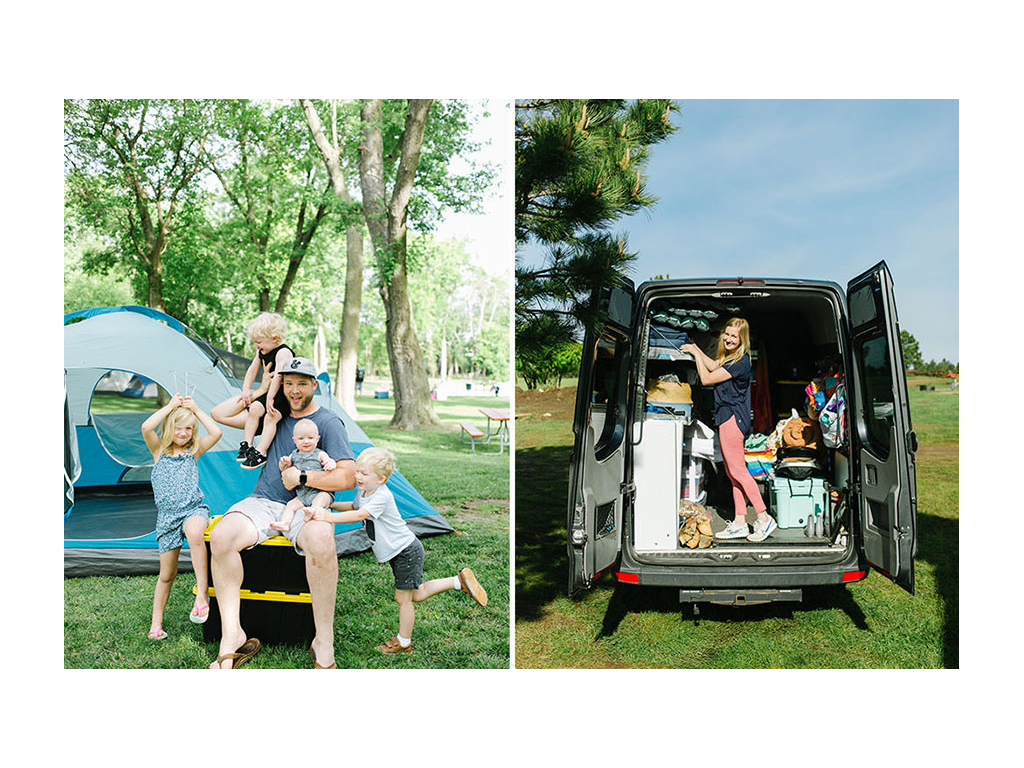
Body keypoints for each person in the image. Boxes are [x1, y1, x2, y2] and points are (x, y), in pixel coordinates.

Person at [208, 357, 355, 670]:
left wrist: (302, 477)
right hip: (264, 501)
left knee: (321, 537)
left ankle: (323, 638)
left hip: (306, 504)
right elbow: (220, 414)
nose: (295, 390)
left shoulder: (328, 423)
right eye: (288, 383)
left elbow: (347, 478)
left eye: (302, 383)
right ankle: (232, 634)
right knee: (221, 536)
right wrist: (261, 389)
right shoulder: (274, 413)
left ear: (315, 385)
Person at [310, 446, 487, 655]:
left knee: (404, 599)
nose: (358, 476)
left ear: (381, 479)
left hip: (406, 552)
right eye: (357, 471)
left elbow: (359, 515)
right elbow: (354, 507)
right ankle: (458, 581)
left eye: (364, 473)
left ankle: (403, 642)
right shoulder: (365, 491)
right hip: (399, 552)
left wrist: (327, 517)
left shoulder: (381, 496)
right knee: (417, 594)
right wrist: (330, 506)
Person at [680, 318, 777, 543]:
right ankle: (740, 523)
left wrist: (695, 355)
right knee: (733, 474)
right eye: (727, 334)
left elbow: (706, 378)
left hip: (733, 420)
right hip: (727, 418)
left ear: (742, 340)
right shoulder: (730, 358)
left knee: (739, 471)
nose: (729, 339)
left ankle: (764, 518)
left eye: (735, 336)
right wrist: (696, 349)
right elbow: (714, 366)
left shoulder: (740, 361)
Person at [140, 393, 222, 640]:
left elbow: (216, 432)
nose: (184, 433)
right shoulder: (159, 451)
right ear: (169, 428)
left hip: (193, 509)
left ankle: (202, 594)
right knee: (167, 574)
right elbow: (146, 427)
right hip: (167, 517)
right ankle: (156, 624)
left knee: (195, 532)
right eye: (179, 428)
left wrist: (196, 410)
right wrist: (170, 407)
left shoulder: (193, 451)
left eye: (189, 428)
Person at [210, 312, 294, 471]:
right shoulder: (261, 352)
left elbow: (279, 374)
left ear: (275, 338)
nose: (256, 346)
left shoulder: (283, 352)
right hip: (268, 391)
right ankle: (247, 446)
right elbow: (252, 369)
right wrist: (246, 390)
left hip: (281, 395)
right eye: (254, 342)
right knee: (254, 408)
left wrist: (270, 396)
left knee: (271, 416)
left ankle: (260, 452)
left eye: (259, 342)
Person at [269, 418, 337, 533]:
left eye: (310, 438)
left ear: (317, 439)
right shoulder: (293, 455)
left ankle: (312, 511)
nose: (306, 441)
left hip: (320, 492)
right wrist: (284, 463)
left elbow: (330, 461)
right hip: (302, 495)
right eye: (301, 438)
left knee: (320, 500)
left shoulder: (319, 454)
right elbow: (284, 469)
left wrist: (330, 463)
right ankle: (285, 523)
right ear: (294, 440)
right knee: (291, 505)